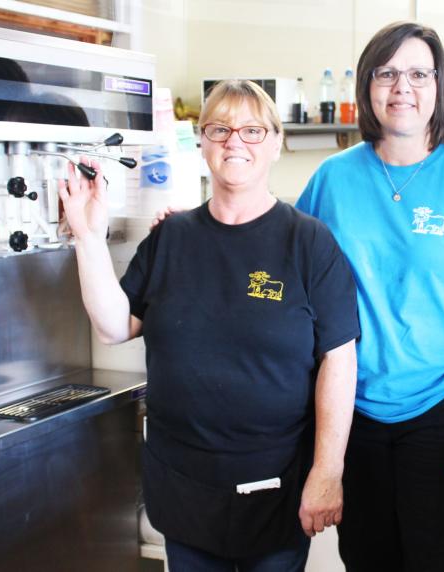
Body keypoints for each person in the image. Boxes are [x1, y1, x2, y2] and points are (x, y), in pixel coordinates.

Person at [58, 79, 360, 572]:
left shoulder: (308, 243)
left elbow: (340, 360)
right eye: (219, 128)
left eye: (252, 130)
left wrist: (328, 471)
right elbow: (114, 326)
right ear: (201, 143)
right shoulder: (171, 238)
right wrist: (88, 237)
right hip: (184, 486)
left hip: (274, 482)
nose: (233, 141)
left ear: (276, 142)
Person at [295, 21, 444, 572]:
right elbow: (283, 269)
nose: (402, 86)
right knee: (367, 558)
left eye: (418, 74)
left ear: (438, 86)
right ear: (367, 87)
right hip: (351, 411)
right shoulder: (331, 180)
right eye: (387, 73)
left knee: (441, 559)